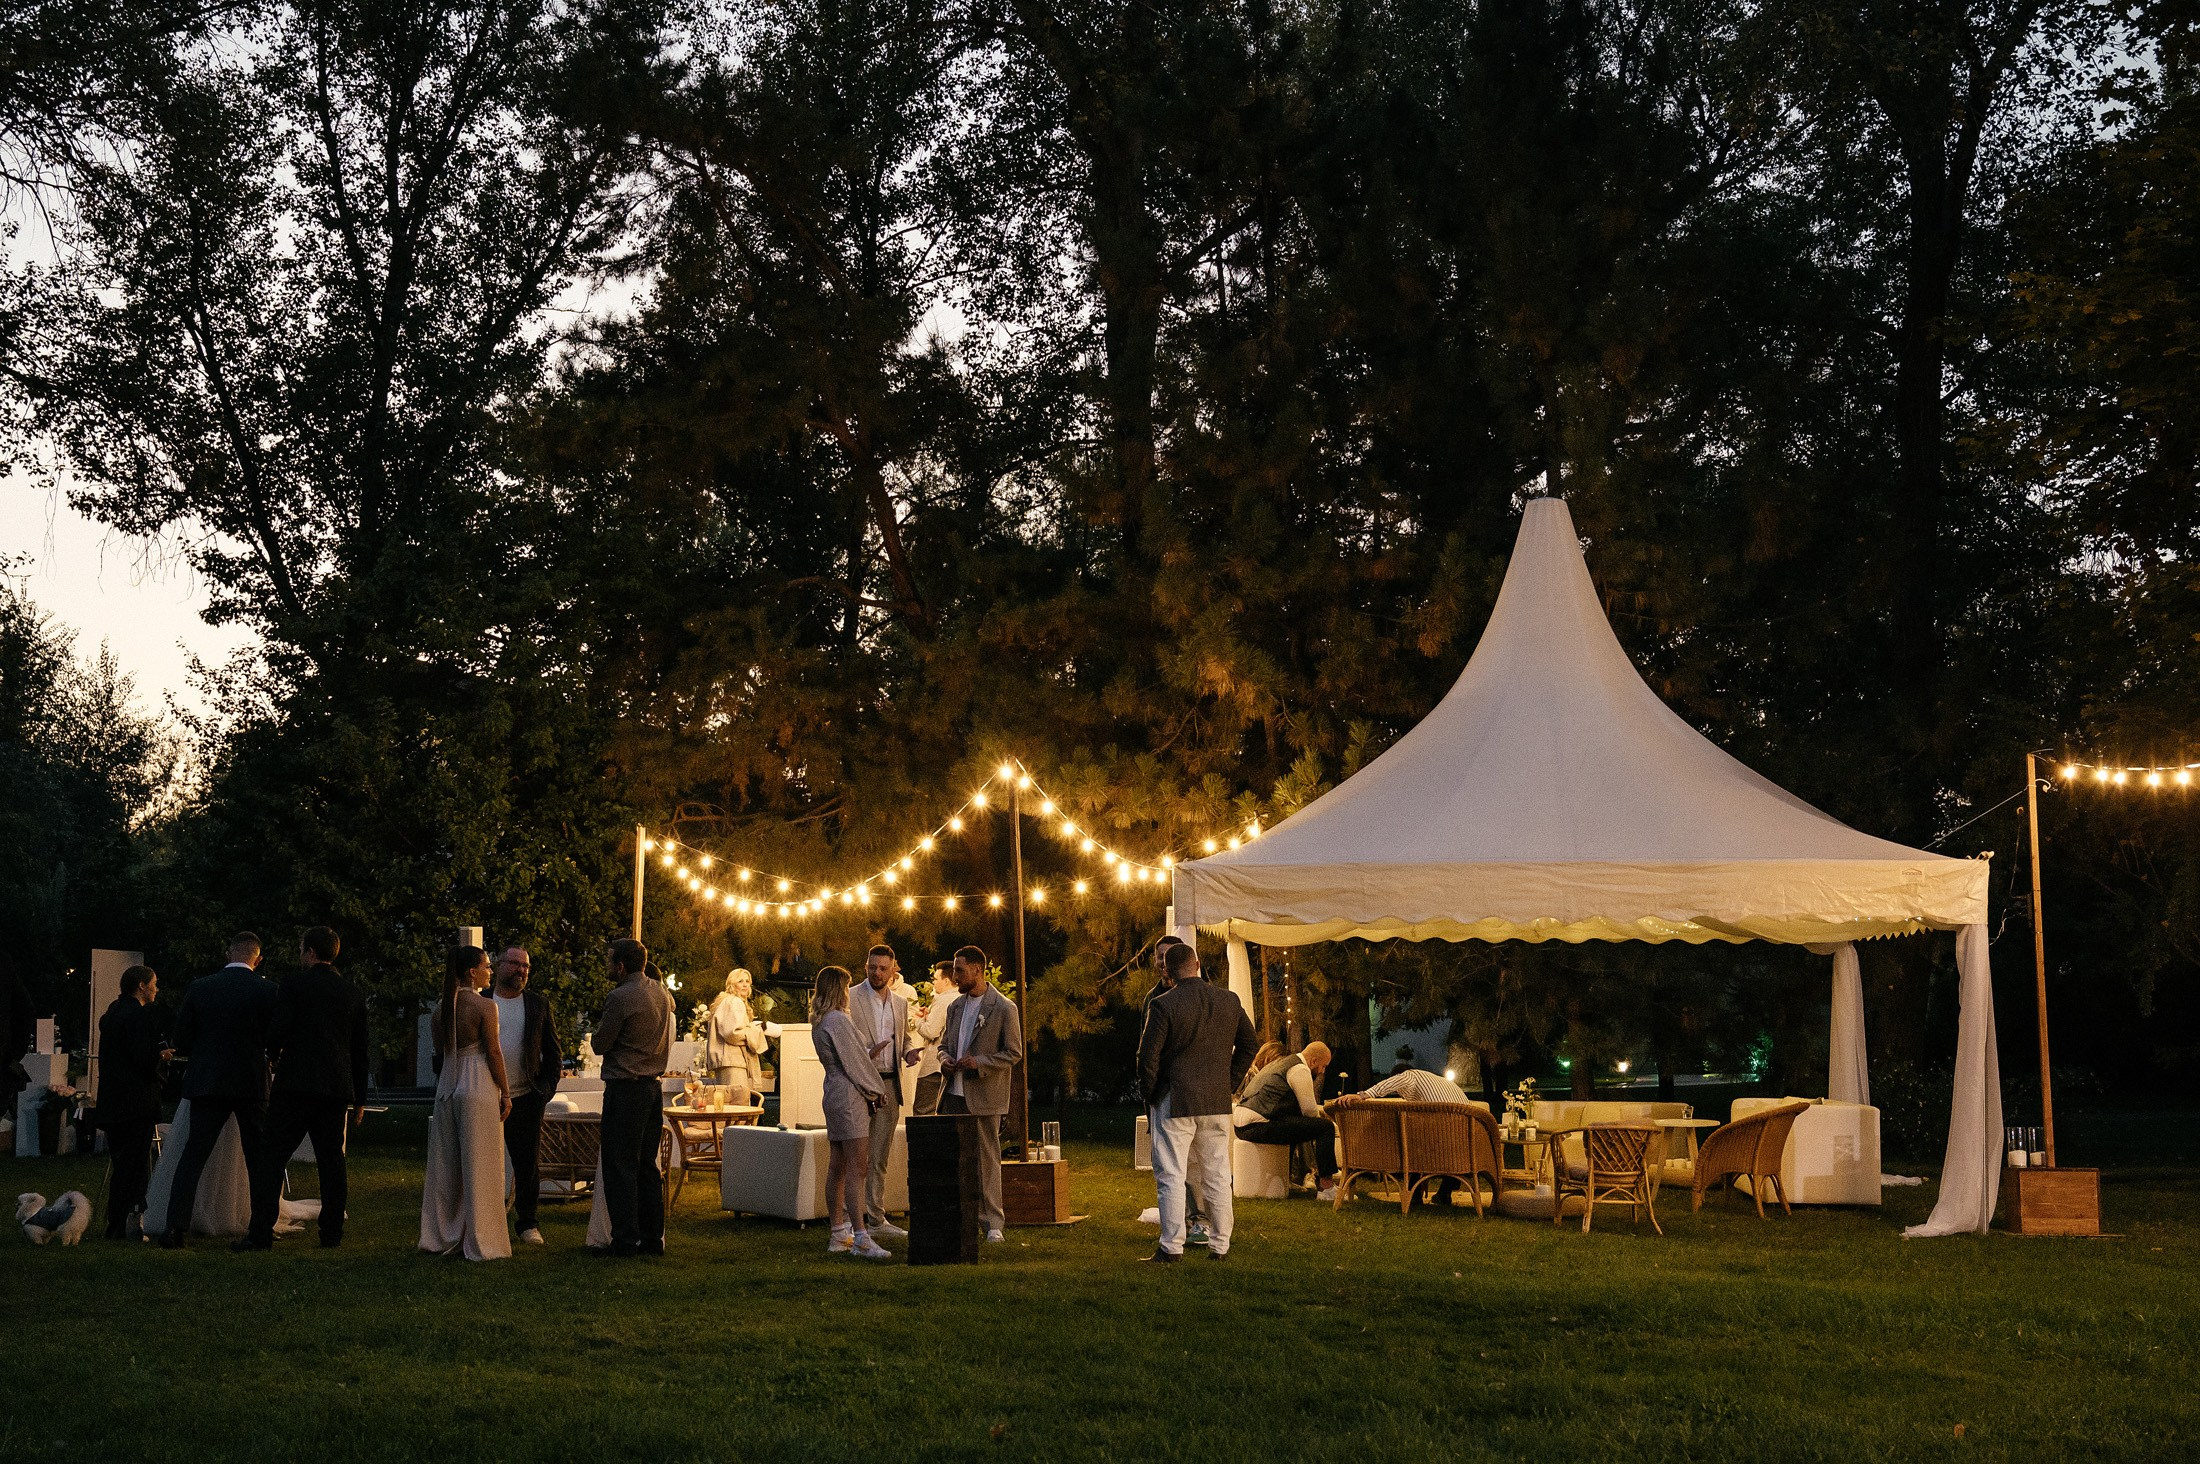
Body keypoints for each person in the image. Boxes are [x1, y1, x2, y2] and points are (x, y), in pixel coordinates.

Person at [241, 927, 369, 1251]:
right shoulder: (352, 993)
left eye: (302, 950)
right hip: (335, 1089)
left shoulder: (294, 985)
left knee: (272, 1157)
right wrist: (360, 1099)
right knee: (332, 1162)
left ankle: (260, 1232)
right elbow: (360, 1050)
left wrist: (273, 1047)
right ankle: (331, 1233)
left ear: (310, 953)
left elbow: (278, 1031)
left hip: (296, 1084)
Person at [1137, 941, 1259, 1263]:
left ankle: (1171, 1246)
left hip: (1175, 1101)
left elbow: (1148, 1059)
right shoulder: (1229, 1000)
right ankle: (1220, 1245)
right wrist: (1229, 1084)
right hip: (1216, 1102)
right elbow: (1250, 1046)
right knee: (1218, 1174)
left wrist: (1151, 1096)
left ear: (1169, 970)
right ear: (1198, 963)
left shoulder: (1163, 1005)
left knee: (1171, 1175)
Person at [156, 933, 278, 1248]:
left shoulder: (200, 988)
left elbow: (182, 1036)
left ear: (228, 953)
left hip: (208, 1080)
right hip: (250, 1081)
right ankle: (260, 1228)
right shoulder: (267, 991)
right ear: (258, 958)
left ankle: (175, 1227)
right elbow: (275, 1038)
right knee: (258, 1159)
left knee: (194, 1155)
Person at [420, 945, 513, 1261]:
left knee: (446, 1165)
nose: (491, 970)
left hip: (447, 1087)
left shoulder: (440, 1009)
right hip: (477, 1086)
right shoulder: (485, 1007)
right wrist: (506, 1091)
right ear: (472, 972)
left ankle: (442, 1233)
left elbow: (440, 1052)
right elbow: (494, 1052)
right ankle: (481, 1237)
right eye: (487, 965)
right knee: (481, 1164)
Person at [934, 945, 1022, 1243]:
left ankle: (993, 1222)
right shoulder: (954, 1007)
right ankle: (956, 1216)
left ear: (977, 970)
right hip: (953, 1094)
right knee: (953, 1158)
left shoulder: (1004, 1008)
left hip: (985, 1094)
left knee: (987, 1160)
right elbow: (944, 1044)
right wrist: (944, 1059)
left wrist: (979, 1063)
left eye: (959, 970)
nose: (955, 975)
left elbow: (1013, 1052)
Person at [591, 937, 672, 1257]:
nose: (607, 966)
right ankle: (653, 1238)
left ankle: (625, 1239)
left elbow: (600, 1043)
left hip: (625, 1088)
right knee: (647, 1166)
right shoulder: (661, 993)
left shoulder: (621, 996)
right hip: (653, 1088)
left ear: (621, 966)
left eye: (610, 960)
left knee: (619, 1164)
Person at [811, 964, 892, 1259]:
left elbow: (847, 1056)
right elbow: (854, 1065)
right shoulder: (837, 1020)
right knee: (858, 1168)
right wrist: (878, 1091)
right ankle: (861, 1235)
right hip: (847, 1095)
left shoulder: (821, 1020)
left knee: (838, 1166)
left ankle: (837, 1232)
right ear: (838, 989)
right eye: (846, 987)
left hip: (833, 1091)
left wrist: (865, 1053)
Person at [489, 945, 561, 1246]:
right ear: (497, 965)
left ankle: (528, 1222)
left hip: (526, 1096)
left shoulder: (536, 1003)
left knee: (527, 1162)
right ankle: (485, 1216)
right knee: (484, 1158)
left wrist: (544, 1089)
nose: (521, 971)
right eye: (515, 964)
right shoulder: (481, 1001)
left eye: (526, 966)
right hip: (487, 1096)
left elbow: (553, 1051)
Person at [847, 943, 916, 1239]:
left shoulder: (900, 1003)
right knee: (856, 1154)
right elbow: (844, 1041)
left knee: (879, 1155)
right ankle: (853, 1219)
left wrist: (909, 1052)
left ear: (893, 969)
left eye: (883, 968)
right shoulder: (850, 998)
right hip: (861, 1084)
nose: (877, 973)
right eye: (872, 967)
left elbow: (906, 1038)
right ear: (865, 966)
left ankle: (876, 1218)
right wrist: (867, 1053)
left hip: (890, 1083)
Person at [95, 964, 168, 1240]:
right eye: (154, 983)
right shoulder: (139, 1017)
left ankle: (116, 1222)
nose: (156, 989)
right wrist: (161, 1058)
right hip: (136, 1103)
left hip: (113, 1102)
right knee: (136, 1166)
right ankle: (127, 1223)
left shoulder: (113, 1014)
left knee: (122, 1163)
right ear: (141, 985)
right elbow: (143, 1059)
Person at [1234, 1040, 1339, 1201]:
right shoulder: (1299, 1069)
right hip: (1257, 1126)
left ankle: (1287, 1180)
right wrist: (1329, 1123)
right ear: (1313, 1061)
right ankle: (1327, 1188)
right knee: (1325, 1128)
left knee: (1292, 1124)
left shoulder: (1280, 1063)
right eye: (1323, 1066)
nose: (1322, 1071)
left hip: (1242, 1125)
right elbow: (1310, 1111)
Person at [705, 968, 766, 1100]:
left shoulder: (724, 1002)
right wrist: (755, 1030)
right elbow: (733, 1033)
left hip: (725, 1061)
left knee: (726, 1104)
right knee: (738, 1104)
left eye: (747, 981)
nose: (745, 985)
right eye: (740, 981)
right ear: (732, 984)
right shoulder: (734, 1002)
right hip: (734, 1060)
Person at [909, 963, 958, 1116]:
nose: (933, 982)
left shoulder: (944, 1000)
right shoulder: (961, 998)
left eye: (936, 979)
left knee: (923, 1112)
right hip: (951, 1064)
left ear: (946, 981)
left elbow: (931, 1031)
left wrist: (918, 1020)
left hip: (934, 1066)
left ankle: (924, 1141)